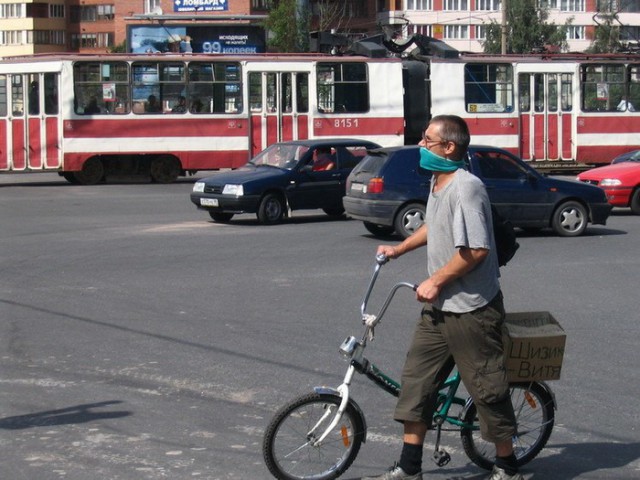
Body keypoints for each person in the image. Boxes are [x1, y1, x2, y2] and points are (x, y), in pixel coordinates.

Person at [365, 115, 522, 480]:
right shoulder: (438, 181)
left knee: (487, 391)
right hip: (437, 311)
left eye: (427, 140)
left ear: (449, 147)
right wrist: (399, 249)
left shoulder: (467, 187)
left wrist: (435, 280)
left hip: (472, 311)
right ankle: (409, 469)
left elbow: (478, 250)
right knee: (416, 386)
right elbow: (432, 227)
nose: (421, 146)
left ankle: (508, 467)